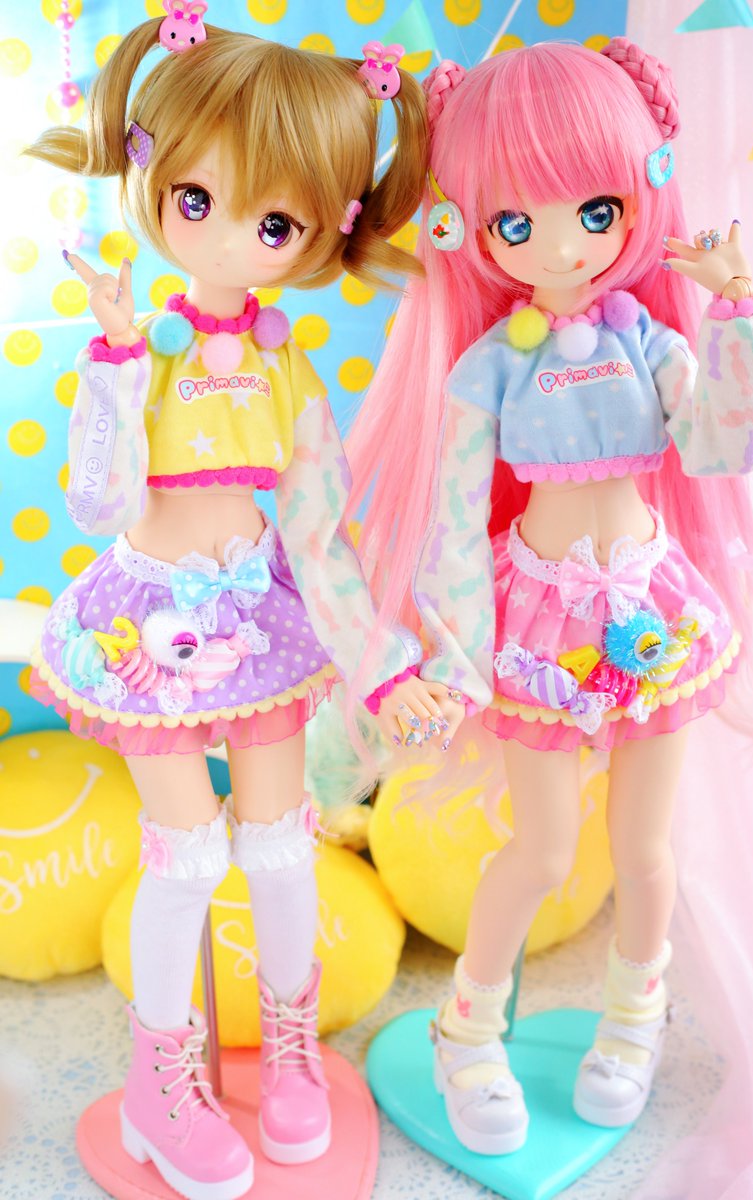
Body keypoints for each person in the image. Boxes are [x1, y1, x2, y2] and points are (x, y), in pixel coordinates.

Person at [346, 37, 753, 1160]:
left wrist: (738, 309)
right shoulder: (490, 363)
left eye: (593, 211)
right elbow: (452, 515)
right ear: (471, 226)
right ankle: (464, 1029)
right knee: (538, 853)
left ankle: (635, 1018)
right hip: (537, 621)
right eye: (515, 220)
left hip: (652, 611)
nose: (559, 244)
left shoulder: (650, 341)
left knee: (646, 849)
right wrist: (452, 647)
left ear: (639, 193)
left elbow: (728, 447)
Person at [26, 9, 438, 1198]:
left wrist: (383, 664)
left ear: (319, 232)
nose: (225, 237)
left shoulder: (285, 365)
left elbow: (318, 532)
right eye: (197, 199)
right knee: (185, 860)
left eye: (272, 222)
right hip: (147, 626)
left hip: (260, 624)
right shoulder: (143, 352)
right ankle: (160, 1082)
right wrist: (113, 361)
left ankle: (291, 1049)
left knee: (281, 846)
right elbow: (98, 501)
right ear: (150, 173)